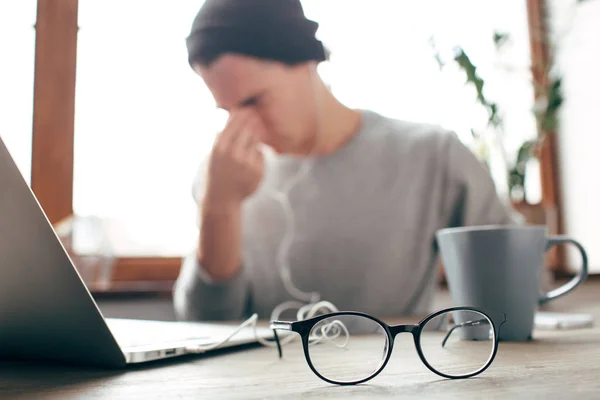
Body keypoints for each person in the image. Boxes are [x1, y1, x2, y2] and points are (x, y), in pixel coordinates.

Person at [173, 0, 517, 322]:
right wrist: (219, 208)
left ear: (306, 60)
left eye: (254, 102)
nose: (242, 127)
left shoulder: (431, 155)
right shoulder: (223, 176)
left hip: (398, 377)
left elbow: (516, 279)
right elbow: (208, 325)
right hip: (262, 382)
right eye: (228, 111)